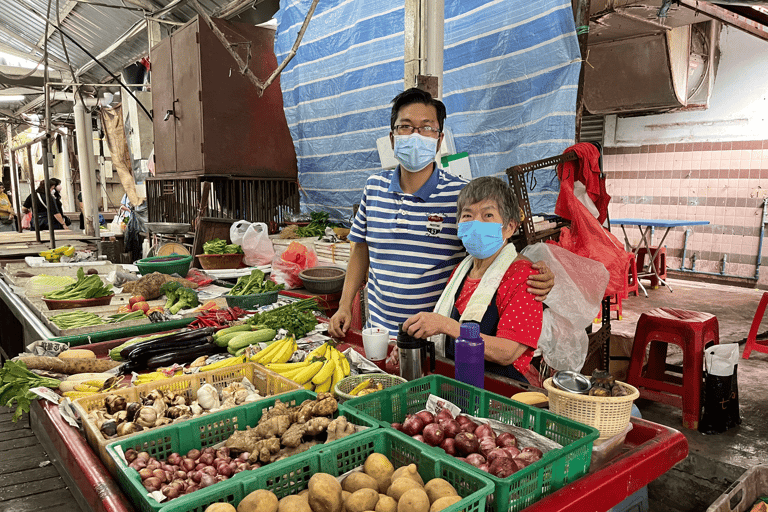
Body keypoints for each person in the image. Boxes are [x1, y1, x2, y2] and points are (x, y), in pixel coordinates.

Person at [328, 88, 554, 338]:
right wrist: (344, 305)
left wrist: (533, 271)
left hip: (435, 338)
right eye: (405, 127)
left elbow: (493, 247)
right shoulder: (373, 188)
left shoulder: (461, 196)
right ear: (392, 138)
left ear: (438, 139)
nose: (415, 135)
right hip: (379, 333)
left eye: (426, 127)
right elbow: (361, 249)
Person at [402, 176, 543, 384]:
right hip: (456, 386)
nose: (476, 223)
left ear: (510, 227)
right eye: (467, 215)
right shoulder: (462, 269)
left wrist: (445, 325)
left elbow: (507, 351)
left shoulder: (524, 277)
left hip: (499, 393)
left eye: (487, 215)